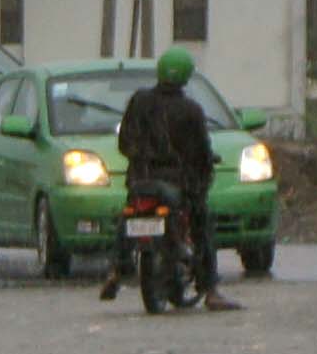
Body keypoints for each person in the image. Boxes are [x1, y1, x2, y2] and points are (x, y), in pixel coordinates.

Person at [99, 49, 238, 313]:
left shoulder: (139, 101)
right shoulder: (191, 111)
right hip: (179, 183)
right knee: (202, 222)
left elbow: (124, 142)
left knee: (129, 217)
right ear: (186, 76)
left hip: (140, 181)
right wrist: (204, 170)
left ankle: (116, 270)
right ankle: (210, 290)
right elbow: (201, 152)